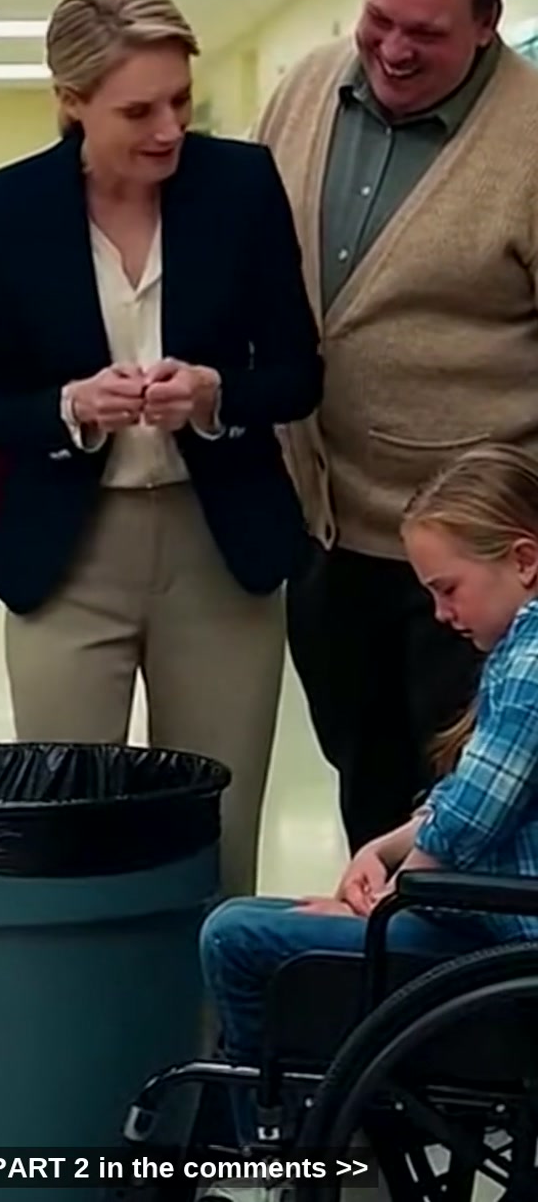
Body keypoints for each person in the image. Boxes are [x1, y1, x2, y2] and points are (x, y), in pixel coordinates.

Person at [0, 0, 322, 898]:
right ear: (72, 103)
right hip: (69, 555)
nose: (168, 127)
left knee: (218, 825)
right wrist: (70, 407)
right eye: (137, 110)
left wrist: (213, 393)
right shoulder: (4, 212)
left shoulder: (239, 185)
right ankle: (84, 1026)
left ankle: (220, 1032)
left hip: (219, 543)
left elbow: (296, 370)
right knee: (68, 825)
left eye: (178, 100)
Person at [254, 0, 538, 854]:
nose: (393, 49)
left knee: (466, 812)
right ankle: (375, 978)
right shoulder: (302, 91)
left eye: (427, 33)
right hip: (329, 538)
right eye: (380, 19)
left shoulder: (529, 138)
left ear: (488, 21)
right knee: (362, 779)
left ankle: (454, 998)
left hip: (471, 560)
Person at [201, 442, 538, 1146]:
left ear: (524, 561)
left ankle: (272, 1146)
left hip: (508, 943)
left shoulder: (533, 664)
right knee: (270, 918)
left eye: (448, 588)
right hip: (493, 925)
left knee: (236, 934)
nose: (441, 612)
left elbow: (465, 827)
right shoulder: (516, 651)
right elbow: (467, 797)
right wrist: (381, 847)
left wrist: (384, 903)